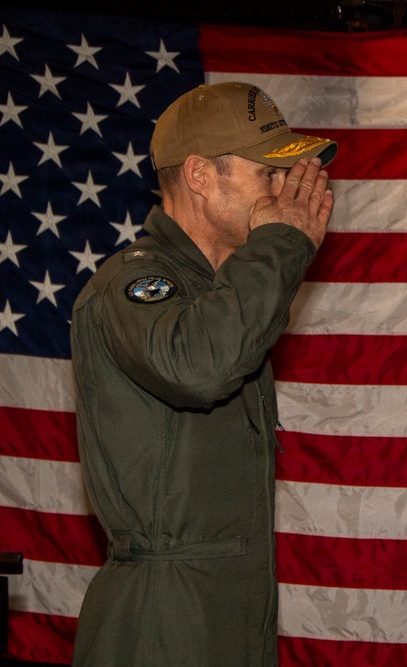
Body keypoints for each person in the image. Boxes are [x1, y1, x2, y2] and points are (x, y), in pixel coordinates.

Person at [70, 81, 338, 666]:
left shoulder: (219, 296)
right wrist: (283, 243)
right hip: (166, 622)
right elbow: (199, 368)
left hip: (227, 612)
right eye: (268, 173)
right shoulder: (135, 283)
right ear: (198, 175)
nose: (283, 191)